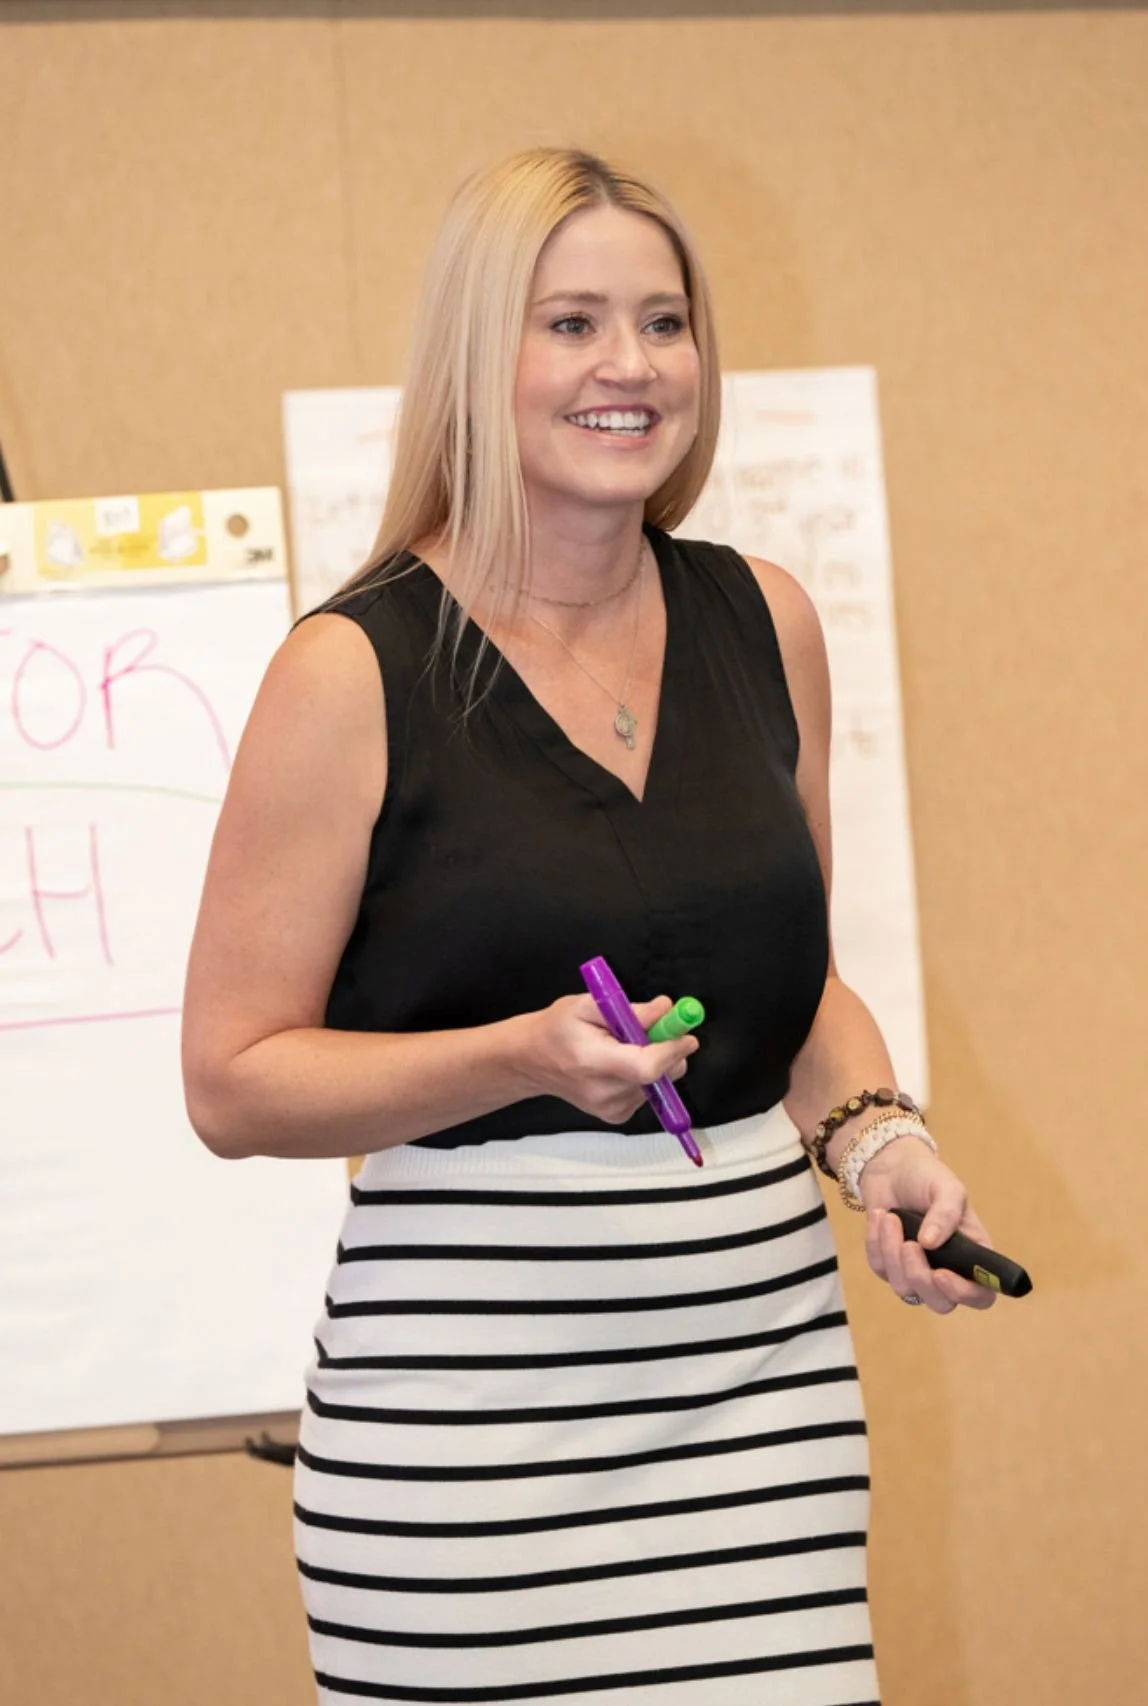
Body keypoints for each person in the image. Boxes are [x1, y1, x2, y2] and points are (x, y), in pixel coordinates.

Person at [182, 146, 994, 1706]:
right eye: (571, 324)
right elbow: (232, 1079)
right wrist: (518, 1055)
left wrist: (882, 1142)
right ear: (474, 360)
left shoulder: (767, 620)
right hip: (467, 1455)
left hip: (761, 1419)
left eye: (663, 322)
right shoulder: (350, 672)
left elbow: (795, 983)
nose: (632, 364)